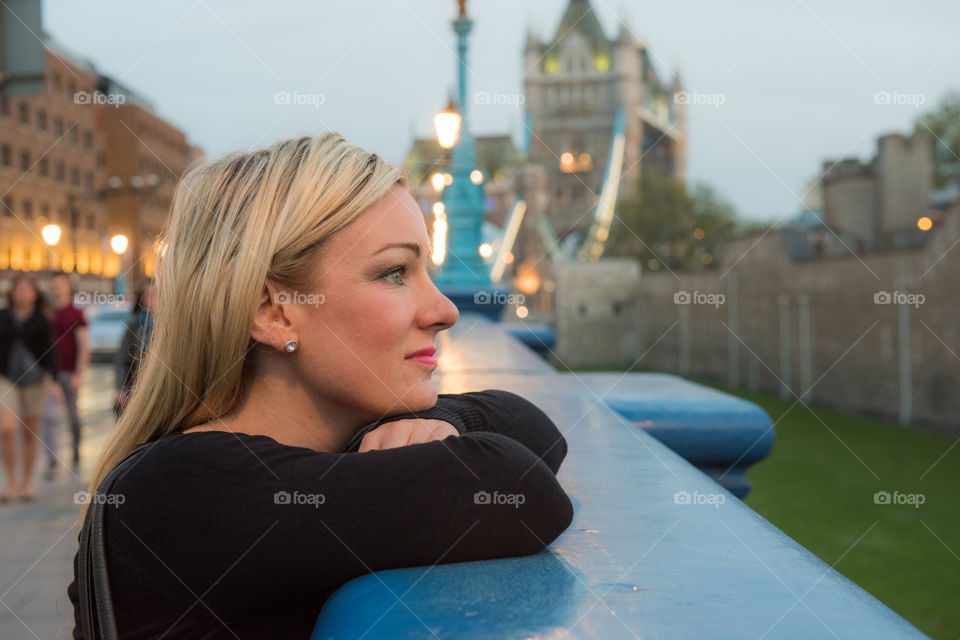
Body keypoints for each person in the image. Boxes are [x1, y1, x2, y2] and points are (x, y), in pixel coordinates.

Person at [68, 133, 573, 638]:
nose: (444, 310)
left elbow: (534, 428)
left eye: (426, 273)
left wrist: (436, 421)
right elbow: (518, 488)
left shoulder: (315, 466)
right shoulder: (182, 491)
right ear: (274, 313)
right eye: (394, 273)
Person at [0, 274, 58, 502]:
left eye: (27, 289)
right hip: (6, 377)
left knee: (30, 432)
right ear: (13, 292)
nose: (22, 293)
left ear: (34, 294)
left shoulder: (42, 319)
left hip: (35, 380)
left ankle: (25, 483)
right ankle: (11, 481)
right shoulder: (3, 316)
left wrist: (54, 380)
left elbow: (51, 351)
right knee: (6, 428)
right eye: (19, 289)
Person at [40, 273, 90, 477]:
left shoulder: (76, 313)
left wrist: (78, 373)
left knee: (73, 416)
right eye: (54, 285)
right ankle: (52, 461)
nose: (57, 288)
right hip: (51, 375)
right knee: (50, 418)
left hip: (70, 372)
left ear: (68, 287)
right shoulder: (46, 314)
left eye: (60, 285)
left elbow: (84, 345)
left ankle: (76, 450)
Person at [113, 280, 155, 419]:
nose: (152, 299)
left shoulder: (169, 323)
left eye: (155, 294)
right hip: (136, 385)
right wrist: (120, 388)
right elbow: (122, 357)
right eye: (148, 295)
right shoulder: (135, 322)